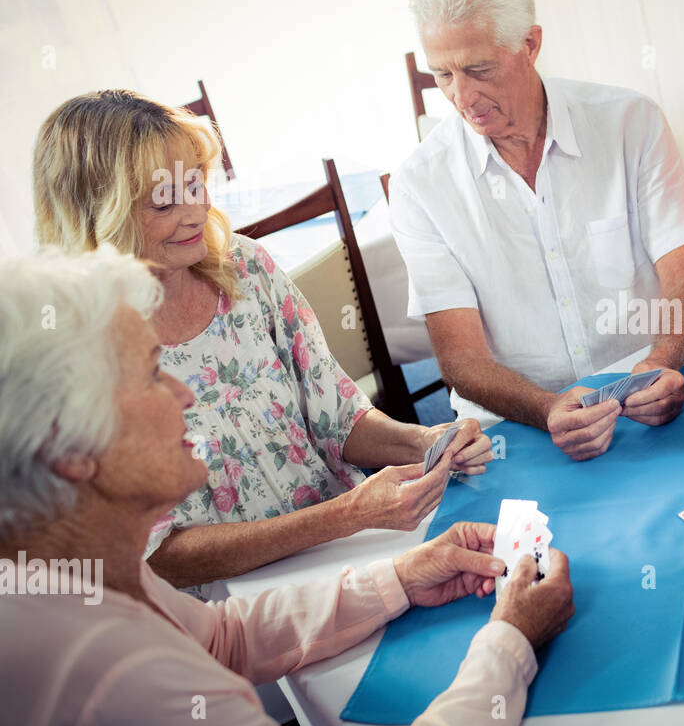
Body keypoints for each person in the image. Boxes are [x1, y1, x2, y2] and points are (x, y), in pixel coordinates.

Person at [0, 246, 574, 726]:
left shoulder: (74, 565)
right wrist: (509, 642)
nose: (182, 390)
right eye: (152, 375)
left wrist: (402, 576)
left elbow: (221, 636)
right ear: (67, 444)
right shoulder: (114, 672)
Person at [32, 90, 494, 591]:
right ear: (94, 213)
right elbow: (159, 557)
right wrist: (344, 515)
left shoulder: (247, 269)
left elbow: (337, 418)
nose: (193, 213)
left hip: (352, 556)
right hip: (231, 612)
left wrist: (424, 441)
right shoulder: (74, 361)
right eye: (164, 201)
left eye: (194, 183)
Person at [389, 0, 684, 462]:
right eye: (443, 75)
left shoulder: (631, 122)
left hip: (652, 393)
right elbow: (461, 359)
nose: (461, 97)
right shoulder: (417, 185)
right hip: (520, 426)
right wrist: (545, 408)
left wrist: (664, 360)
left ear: (530, 43)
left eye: (479, 69)